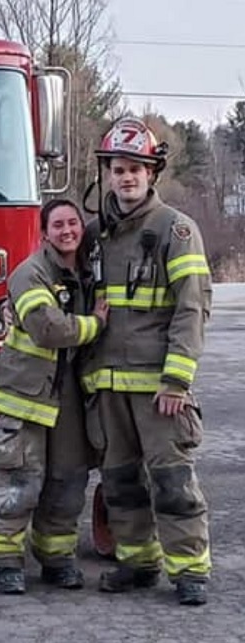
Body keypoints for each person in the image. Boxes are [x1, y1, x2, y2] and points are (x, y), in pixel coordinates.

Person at [82, 116, 213, 606]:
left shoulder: (176, 231)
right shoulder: (94, 234)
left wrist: (177, 380)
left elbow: (191, 309)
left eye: (137, 168)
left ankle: (189, 571)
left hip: (160, 390)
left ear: (153, 172)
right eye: (118, 168)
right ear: (107, 173)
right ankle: (137, 564)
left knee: (173, 483)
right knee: (119, 484)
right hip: (108, 388)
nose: (127, 177)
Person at [0, 198, 109, 594]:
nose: (67, 230)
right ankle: (5, 562)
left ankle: (56, 558)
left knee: (68, 483)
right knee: (19, 481)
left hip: (70, 394)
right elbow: (47, 329)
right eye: (58, 225)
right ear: (44, 233)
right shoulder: (30, 273)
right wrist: (96, 324)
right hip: (24, 394)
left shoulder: (90, 272)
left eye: (73, 223)